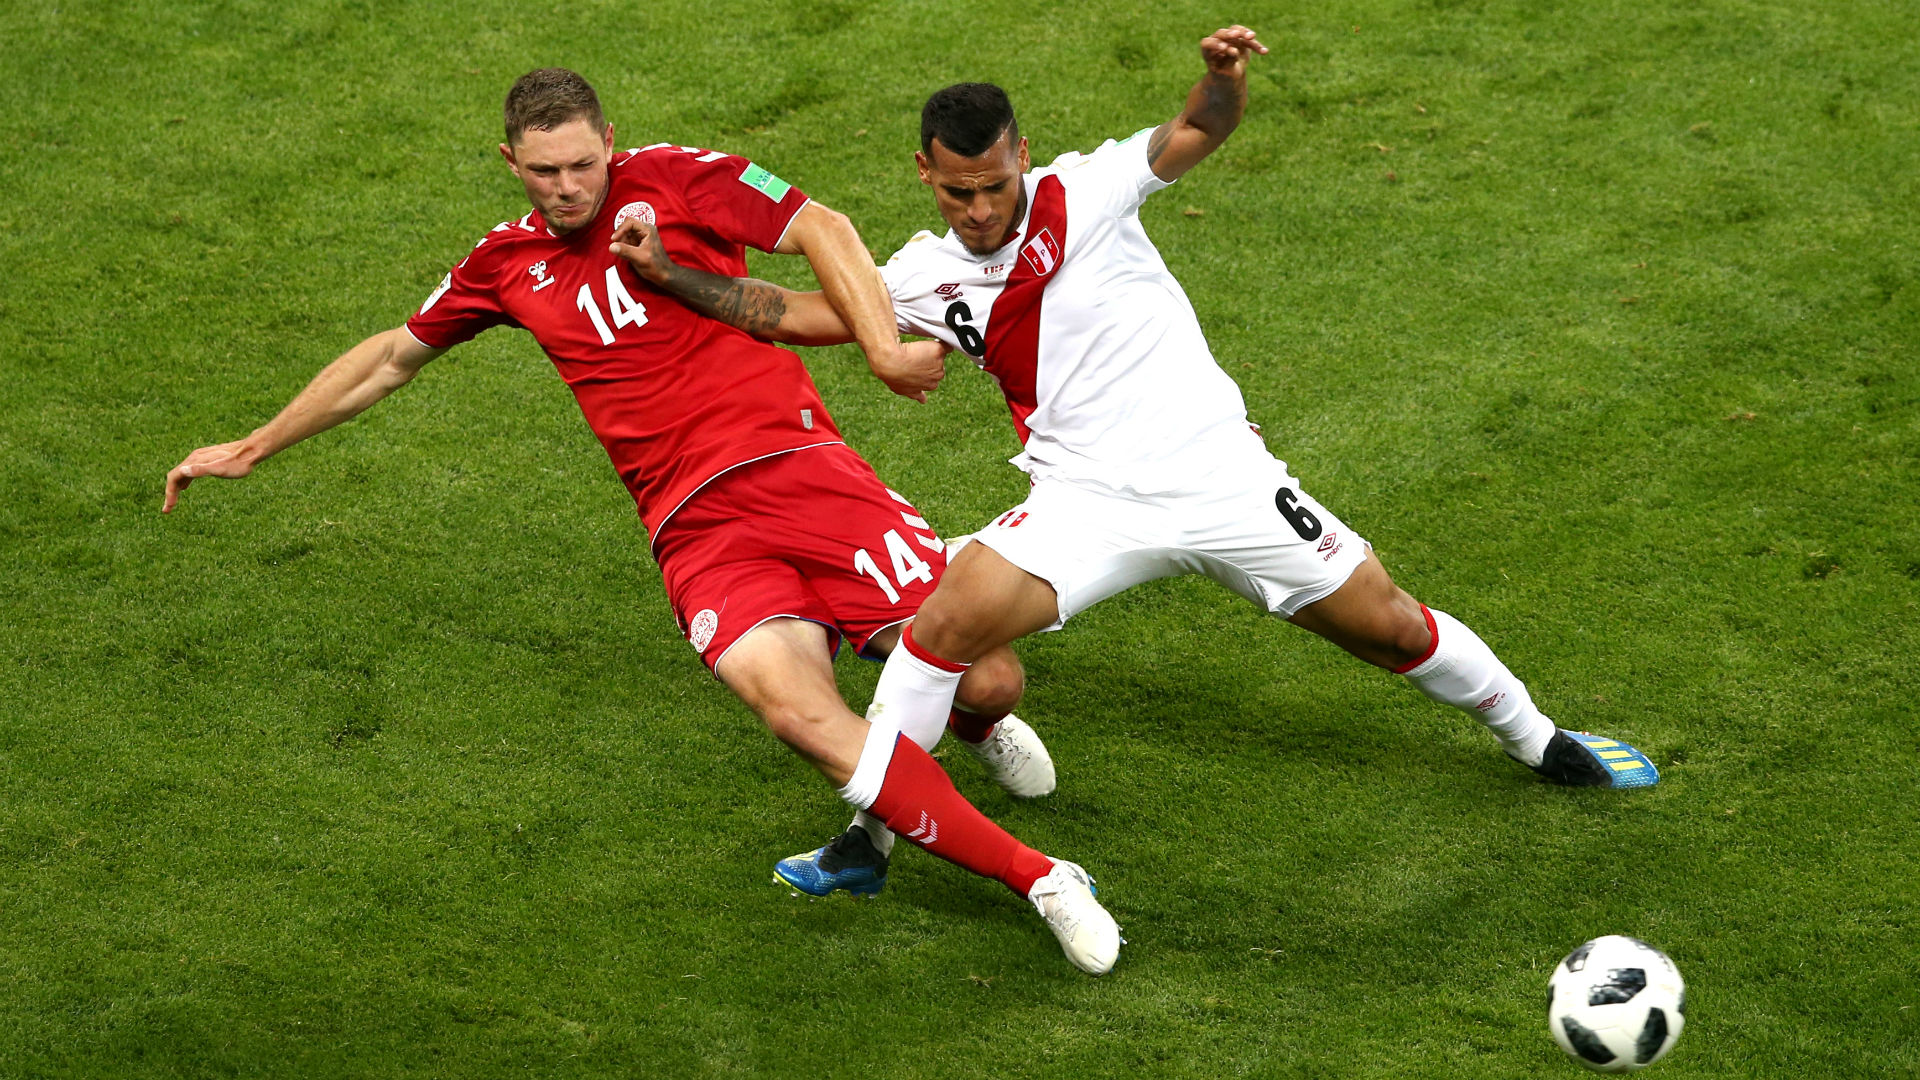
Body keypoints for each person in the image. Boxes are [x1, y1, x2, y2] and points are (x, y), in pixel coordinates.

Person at [611, 23, 1663, 939]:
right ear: (925, 173)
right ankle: (868, 841)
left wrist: (1224, 79)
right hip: (1084, 503)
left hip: (1222, 480)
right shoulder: (926, 273)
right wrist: (668, 276)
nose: (979, 208)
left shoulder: (1089, 190)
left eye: (994, 185)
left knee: (1388, 625)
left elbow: (1196, 129)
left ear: (1022, 156)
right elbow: (799, 313)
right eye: (957, 191)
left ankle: (1541, 739)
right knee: (940, 628)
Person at [162, 68, 1121, 975]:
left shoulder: (678, 179)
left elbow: (823, 226)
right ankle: (1042, 878)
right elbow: (388, 359)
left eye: (583, 164)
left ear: (609, 142)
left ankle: (973, 720)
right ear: (510, 162)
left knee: (991, 677)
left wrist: (878, 345)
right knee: (796, 713)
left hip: (805, 473)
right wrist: (254, 444)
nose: (568, 187)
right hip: (695, 530)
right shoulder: (504, 263)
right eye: (545, 171)